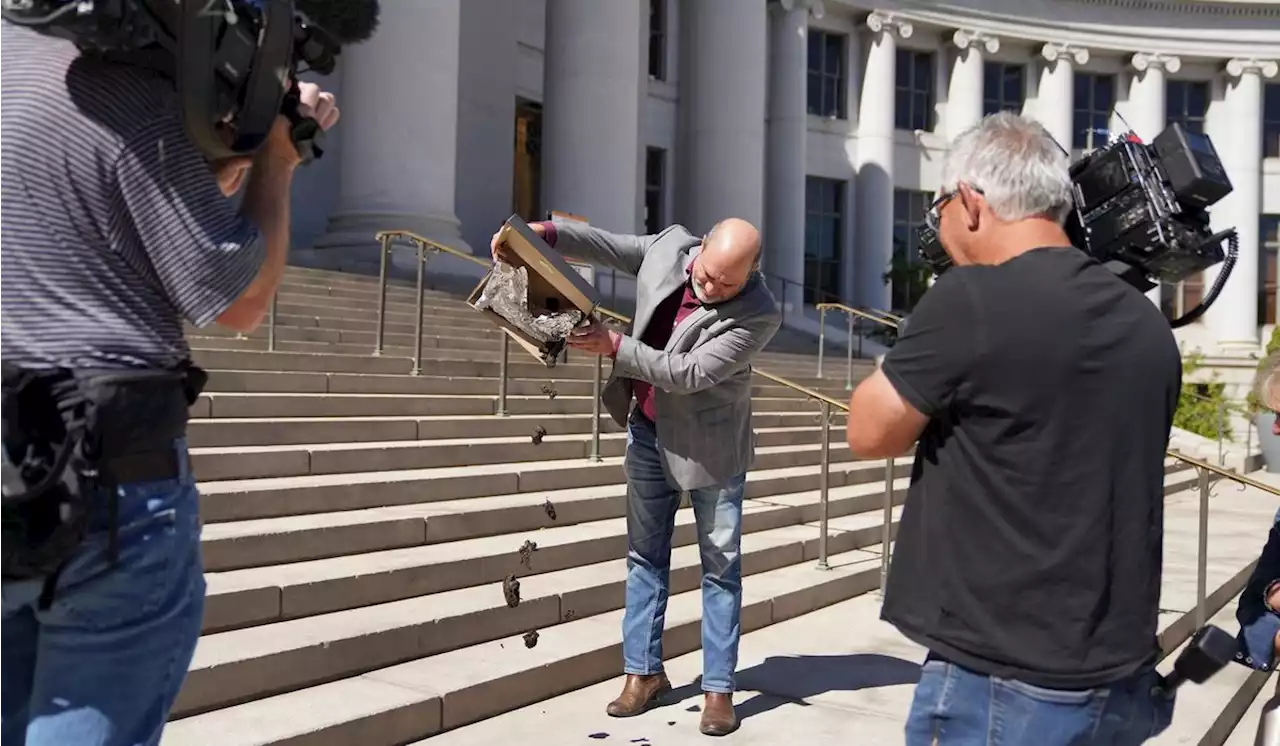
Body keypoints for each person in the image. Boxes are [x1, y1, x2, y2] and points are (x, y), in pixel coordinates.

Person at [0, 19, 339, 746]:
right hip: (106, 477)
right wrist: (277, 157)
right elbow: (238, 298)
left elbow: (119, 203)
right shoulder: (127, 92)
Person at [844, 112, 1181, 745]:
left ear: (972, 203)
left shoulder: (969, 299)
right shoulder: (1145, 323)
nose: (938, 223)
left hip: (1000, 682)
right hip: (1118, 673)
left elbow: (869, 432)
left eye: (939, 204)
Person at [490, 216, 781, 736]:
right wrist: (538, 236)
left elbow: (688, 372)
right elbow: (603, 243)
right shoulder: (670, 247)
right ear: (703, 244)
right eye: (707, 273)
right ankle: (642, 674)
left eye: (726, 284)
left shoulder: (759, 313)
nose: (710, 287)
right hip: (647, 431)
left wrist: (616, 347)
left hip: (711, 451)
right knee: (644, 555)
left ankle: (718, 689)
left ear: (752, 274)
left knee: (720, 569)